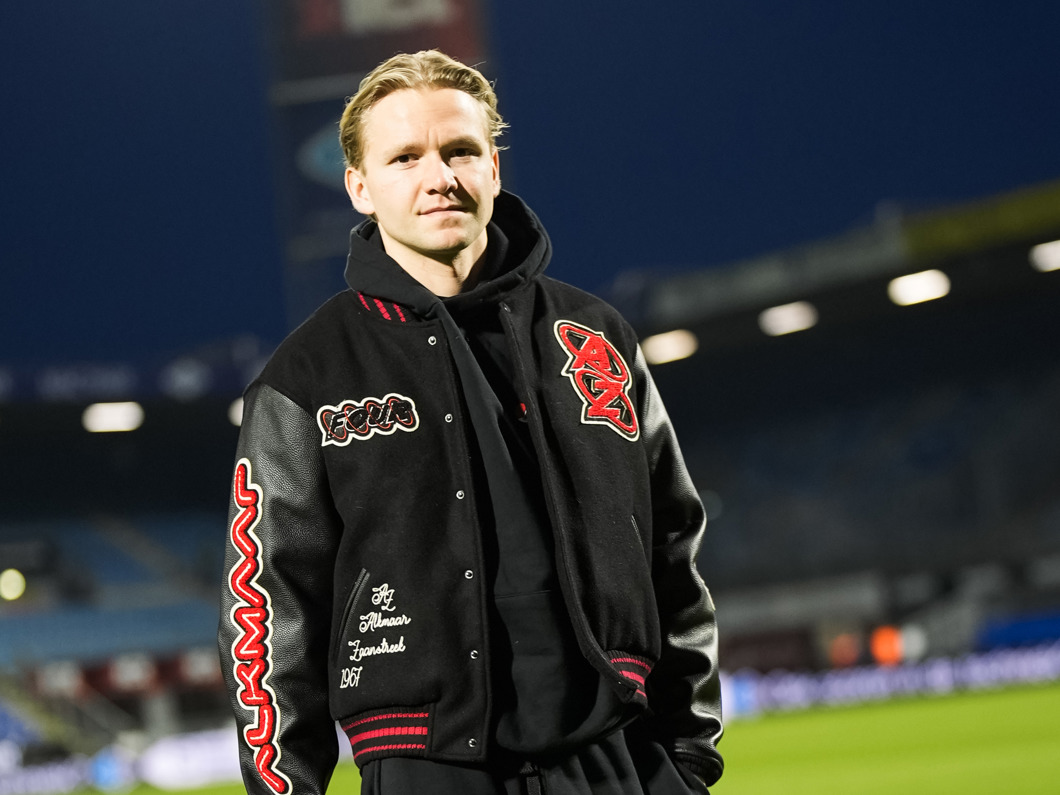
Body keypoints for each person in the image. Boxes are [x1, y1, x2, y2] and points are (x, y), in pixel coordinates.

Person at [217, 50, 723, 795]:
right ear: (359, 186)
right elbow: (265, 605)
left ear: (493, 166)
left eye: (459, 150)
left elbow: (672, 545)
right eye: (405, 157)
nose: (439, 177)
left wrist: (688, 755)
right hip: (425, 768)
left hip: (618, 756)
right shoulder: (306, 379)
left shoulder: (594, 336)